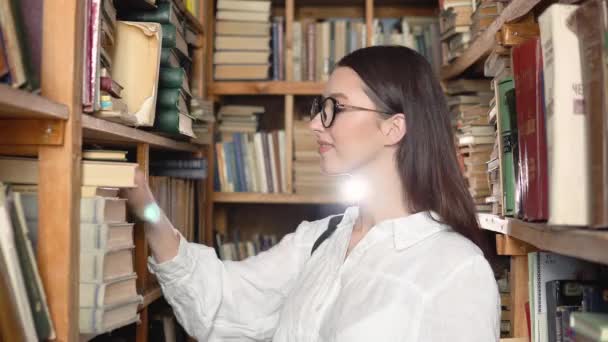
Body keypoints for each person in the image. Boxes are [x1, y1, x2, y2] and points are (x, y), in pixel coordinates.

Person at [125, 46, 500, 341]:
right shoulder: (320, 240)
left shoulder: (456, 269)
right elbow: (220, 300)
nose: (315, 123)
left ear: (393, 128)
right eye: (320, 107)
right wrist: (149, 211)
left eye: (335, 107)